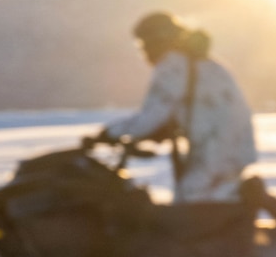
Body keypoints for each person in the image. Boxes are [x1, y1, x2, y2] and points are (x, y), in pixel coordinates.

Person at [100, 12, 258, 204]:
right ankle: (249, 200)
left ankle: (254, 200)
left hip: (216, 150)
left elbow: (152, 115)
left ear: (156, 40)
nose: (144, 51)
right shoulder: (203, 63)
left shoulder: (173, 64)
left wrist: (109, 133)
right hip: (231, 146)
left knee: (190, 203)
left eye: (143, 43)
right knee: (206, 200)